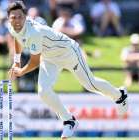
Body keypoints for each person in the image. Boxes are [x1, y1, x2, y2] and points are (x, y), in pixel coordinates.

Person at [7, 1, 128, 139]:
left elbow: (34, 62)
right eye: (13, 17)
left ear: (25, 17)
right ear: (8, 18)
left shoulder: (34, 32)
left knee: (90, 84)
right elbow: (17, 39)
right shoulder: (12, 27)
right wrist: (16, 61)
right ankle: (69, 120)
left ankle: (120, 95)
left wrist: (21, 71)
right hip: (49, 58)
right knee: (43, 92)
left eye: (19, 17)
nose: (16, 21)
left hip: (68, 52)